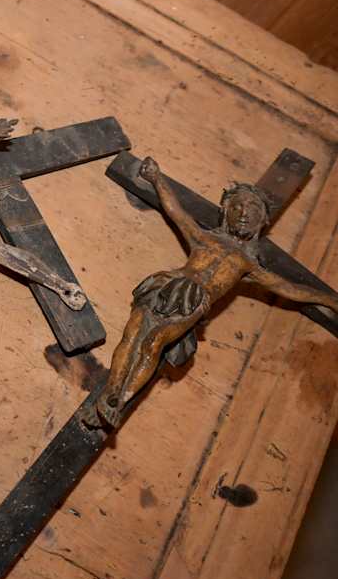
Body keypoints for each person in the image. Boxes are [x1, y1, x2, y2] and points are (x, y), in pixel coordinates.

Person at [83, 157, 338, 429]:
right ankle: (110, 392)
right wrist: (156, 178)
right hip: (165, 285)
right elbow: (176, 212)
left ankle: (120, 401)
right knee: (133, 332)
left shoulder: (248, 264)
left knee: (153, 342)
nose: (243, 212)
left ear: (262, 220)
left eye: (252, 208)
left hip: (193, 301)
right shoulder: (205, 238)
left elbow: (287, 288)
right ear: (225, 211)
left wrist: (329, 299)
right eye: (237, 206)